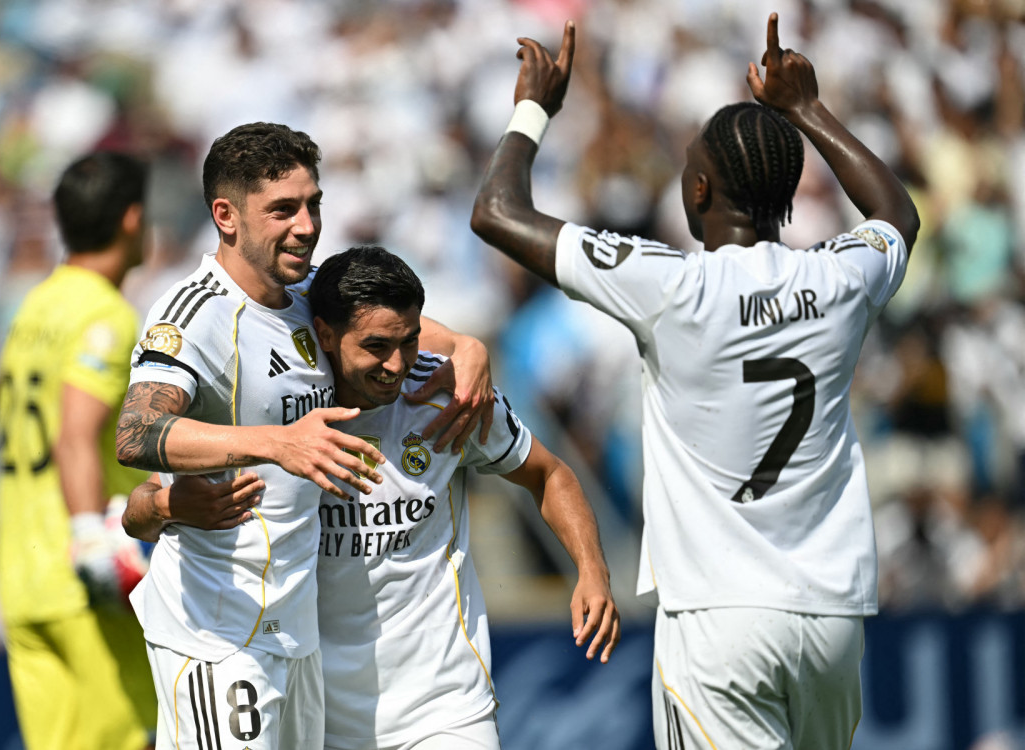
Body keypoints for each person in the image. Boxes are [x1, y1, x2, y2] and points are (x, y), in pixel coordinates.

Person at [470, 14, 920, 750]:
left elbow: (496, 212)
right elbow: (896, 214)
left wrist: (533, 110)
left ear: (701, 188)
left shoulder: (672, 287)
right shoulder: (841, 278)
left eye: (686, 165)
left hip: (718, 616)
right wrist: (807, 109)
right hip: (832, 615)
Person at [125, 245, 621, 749]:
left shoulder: (446, 400)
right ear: (324, 334)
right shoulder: (273, 417)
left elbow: (549, 474)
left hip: (445, 709)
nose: (396, 364)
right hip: (319, 714)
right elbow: (139, 508)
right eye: (376, 346)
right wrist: (166, 508)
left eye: (409, 342)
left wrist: (592, 571)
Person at [114, 123, 496, 750]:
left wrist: (466, 346)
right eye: (283, 209)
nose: (307, 225)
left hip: (296, 639)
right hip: (218, 635)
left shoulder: (303, 291)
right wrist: (277, 443)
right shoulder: (194, 314)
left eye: (313, 204)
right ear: (226, 216)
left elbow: (393, 328)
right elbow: (135, 433)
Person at [0, 152, 157, 750]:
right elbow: (75, 432)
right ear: (133, 219)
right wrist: (90, 537)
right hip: (87, 577)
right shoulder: (105, 314)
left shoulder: (34, 306)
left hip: (23, 575)